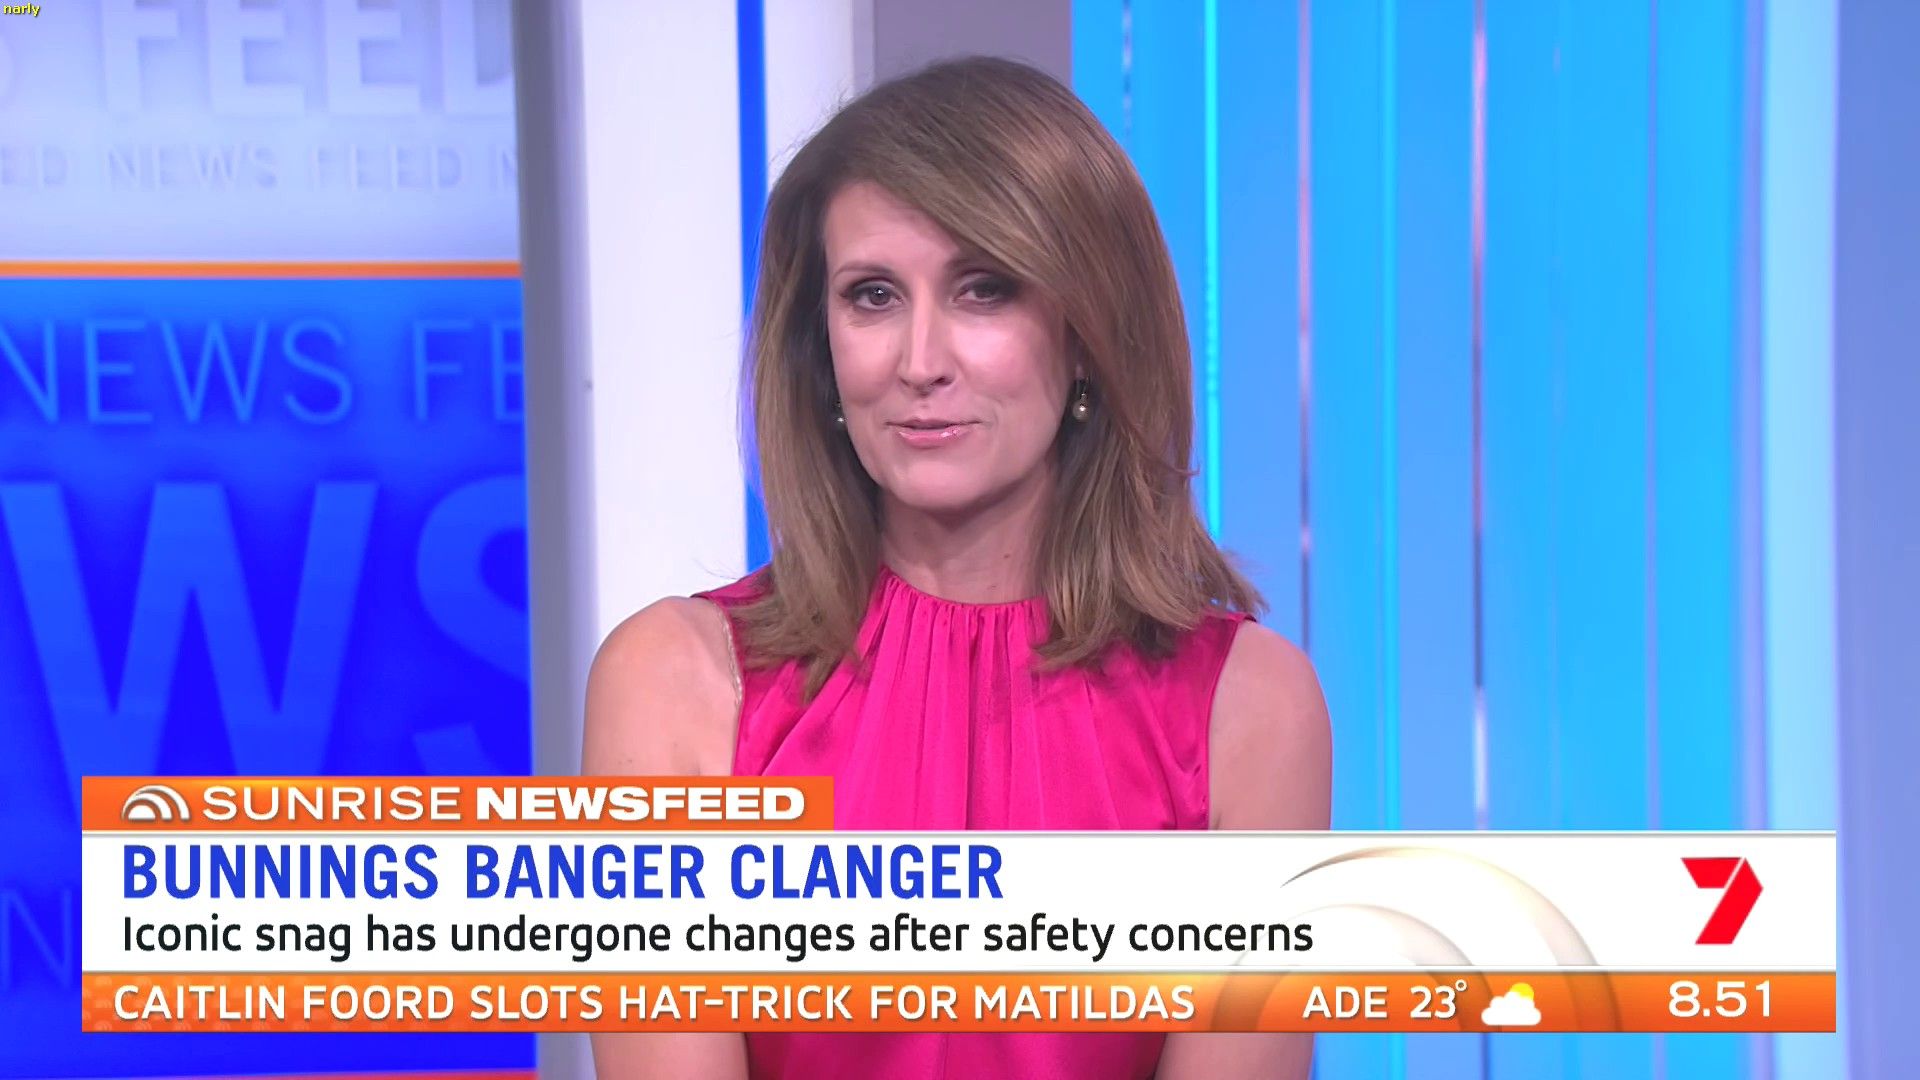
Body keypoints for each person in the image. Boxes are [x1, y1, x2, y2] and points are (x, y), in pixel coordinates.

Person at [584, 56, 1331, 1080]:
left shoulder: (1248, 712)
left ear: (1087, 335)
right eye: (873, 296)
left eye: (985, 290)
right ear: (821, 350)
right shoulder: (678, 687)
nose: (921, 361)